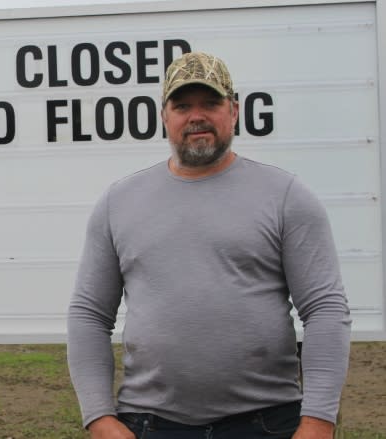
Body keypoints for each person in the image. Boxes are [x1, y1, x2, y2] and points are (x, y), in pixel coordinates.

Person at [66, 51, 351, 439]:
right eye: (182, 105)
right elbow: (89, 314)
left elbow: (324, 309)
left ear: (233, 111)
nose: (196, 116)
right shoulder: (119, 202)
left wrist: (318, 420)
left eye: (211, 103)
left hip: (266, 423)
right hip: (150, 424)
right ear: (164, 116)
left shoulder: (286, 196)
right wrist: (99, 417)